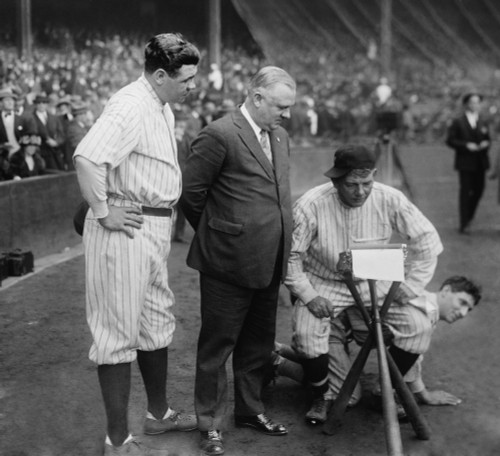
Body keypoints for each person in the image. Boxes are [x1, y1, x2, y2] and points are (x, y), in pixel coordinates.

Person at [73, 32, 201, 456]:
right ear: (160, 74)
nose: (193, 86)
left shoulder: (159, 103)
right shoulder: (130, 104)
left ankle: (158, 416)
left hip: (152, 227)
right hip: (125, 226)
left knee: (155, 321)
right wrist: (103, 210)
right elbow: (88, 156)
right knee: (116, 331)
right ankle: (116, 441)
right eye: (186, 79)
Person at [181, 66, 296, 456]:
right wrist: (222, 236)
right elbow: (191, 195)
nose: (287, 113)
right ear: (257, 97)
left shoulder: (279, 135)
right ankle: (210, 424)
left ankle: (250, 410)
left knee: (258, 344)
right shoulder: (220, 133)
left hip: (269, 259)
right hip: (227, 263)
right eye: (281, 105)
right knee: (217, 346)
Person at [284, 144, 444, 425]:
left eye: (366, 183)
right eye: (351, 184)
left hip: (376, 281)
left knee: (418, 327)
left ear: (374, 176)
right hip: (326, 281)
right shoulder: (311, 204)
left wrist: (414, 285)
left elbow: (428, 241)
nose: (360, 192)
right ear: (335, 181)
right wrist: (308, 295)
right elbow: (290, 256)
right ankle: (320, 394)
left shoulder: (389, 198)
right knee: (308, 335)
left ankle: (387, 390)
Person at [273, 275, 481, 416]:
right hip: (329, 326)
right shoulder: (421, 306)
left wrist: (422, 393)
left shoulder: (427, 310)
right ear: (446, 290)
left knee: (338, 379)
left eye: (468, 310)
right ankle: (277, 362)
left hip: (342, 330)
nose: (462, 313)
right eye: (462, 302)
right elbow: (413, 354)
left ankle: (280, 349)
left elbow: (413, 355)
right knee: (347, 396)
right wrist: (421, 394)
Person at [446, 92, 491, 235]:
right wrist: (465, 145)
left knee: (479, 190)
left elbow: (488, 138)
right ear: (466, 104)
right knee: (465, 192)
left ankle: (469, 215)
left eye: (477, 102)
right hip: (465, 162)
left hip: (480, 162)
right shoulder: (458, 122)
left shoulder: (483, 121)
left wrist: (485, 144)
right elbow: (450, 140)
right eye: (472, 102)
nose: (475, 105)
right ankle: (464, 223)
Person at [31, 94, 66, 170]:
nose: (41, 105)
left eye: (43, 103)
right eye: (39, 103)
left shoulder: (53, 118)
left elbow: (61, 134)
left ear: (47, 104)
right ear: (35, 104)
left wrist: (56, 142)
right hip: (40, 152)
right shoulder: (31, 118)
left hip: (55, 152)